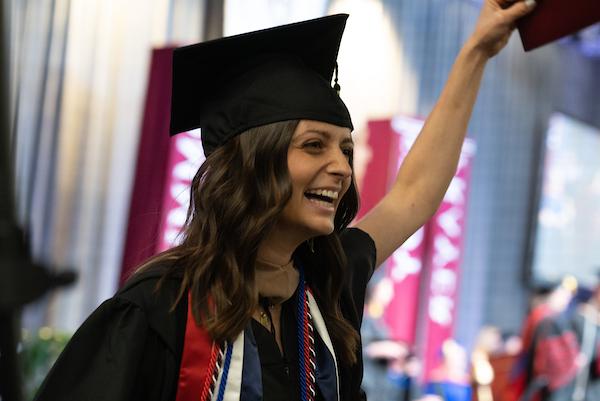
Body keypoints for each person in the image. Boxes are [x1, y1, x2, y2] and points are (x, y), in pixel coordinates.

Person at [34, 2, 537, 400]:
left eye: (345, 148)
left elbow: (413, 195)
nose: (341, 167)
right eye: (313, 146)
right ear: (254, 164)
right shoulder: (159, 308)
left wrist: (477, 50)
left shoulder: (326, 283)